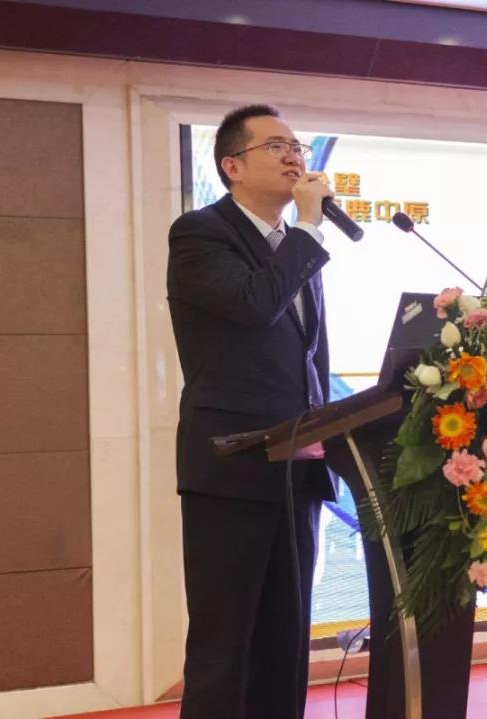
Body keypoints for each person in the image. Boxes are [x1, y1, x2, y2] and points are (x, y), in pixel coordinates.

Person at [166, 104, 335, 719]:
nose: (294, 157)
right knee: (224, 646)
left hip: (297, 468)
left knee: (285, 642)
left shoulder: (295, 246)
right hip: (230, 469)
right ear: (231, 166)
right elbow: (253, 304)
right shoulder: (199, 234)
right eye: (276, 146)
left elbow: (309, 356)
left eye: (297, 147)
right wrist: (309, 229)